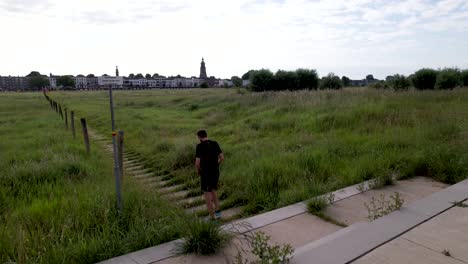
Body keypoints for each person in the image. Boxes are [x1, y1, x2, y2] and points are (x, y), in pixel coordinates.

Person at [195, 130, 224, 220]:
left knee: (207, 195)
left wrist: (199, 171)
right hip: (215, 172)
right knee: (213, 191)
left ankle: (212, 218)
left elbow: (197, 163)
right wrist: (216, 164)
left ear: (199, 137)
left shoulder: (199, 146)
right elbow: (222, 157)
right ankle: (218, 215)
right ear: (206, 135)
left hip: (205, 173)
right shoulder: (215, 143)